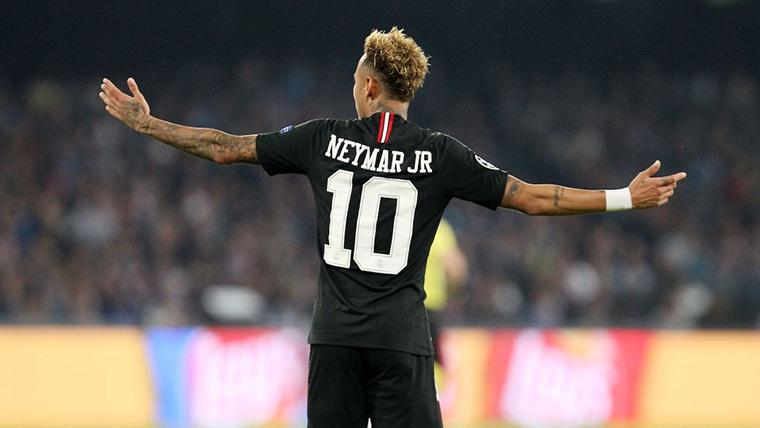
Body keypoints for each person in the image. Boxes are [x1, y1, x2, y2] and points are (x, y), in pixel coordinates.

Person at [98, 27, 685, 428]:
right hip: (400, 341)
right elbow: (532, 199)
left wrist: (150, 126)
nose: (353, 88)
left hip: (334, 341)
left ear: (371, 87)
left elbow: (225, 147)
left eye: (356, 80)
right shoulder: (440, 154)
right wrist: (623, 198)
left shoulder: (322, 138)